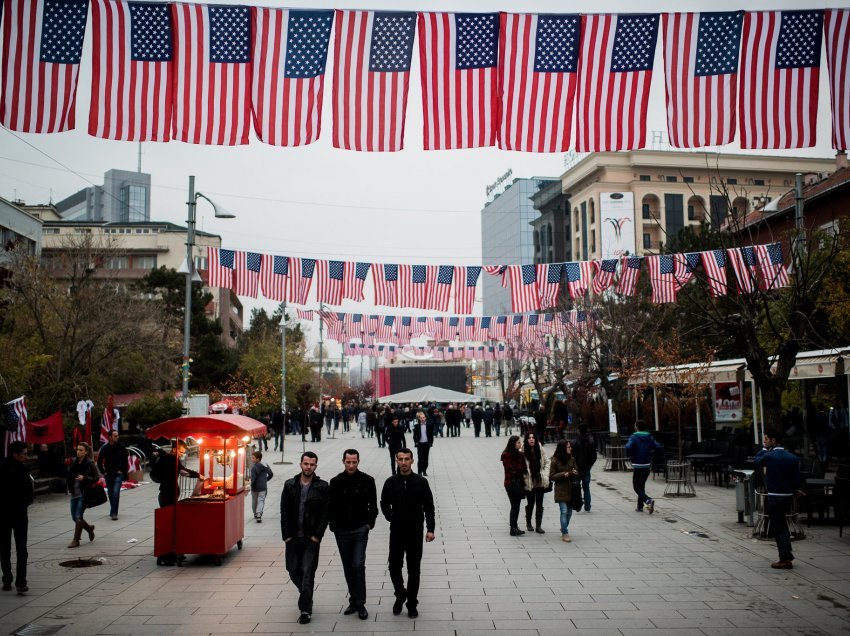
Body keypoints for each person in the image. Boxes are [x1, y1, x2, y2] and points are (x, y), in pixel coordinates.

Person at [380, 448, 435, 618]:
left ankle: (412, 603)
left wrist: (430, 529)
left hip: (415, 531)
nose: (403, 463)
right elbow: (383, 503)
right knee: (394, 566)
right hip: (396, 531)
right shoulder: (390, 482)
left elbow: (429, 507)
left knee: (414, 569)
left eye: (407, 459)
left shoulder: (421, 482)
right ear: (396, 460)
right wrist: (391, 517)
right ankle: (400, 594)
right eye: (400, 459)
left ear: (412, 461)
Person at [328, 449, 378, 620]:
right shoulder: (335, 482)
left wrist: (369, 523)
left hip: (360, 529)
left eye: (354, 462)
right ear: (343, 461)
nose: (351, 465)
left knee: (357, 564)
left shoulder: (367, 480)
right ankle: (354, 600)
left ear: (358, 461)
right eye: (348, 462)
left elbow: (373, 504)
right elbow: (331, 505)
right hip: (341, 530)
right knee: (348, 566)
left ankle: (361, 603)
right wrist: (333, 525)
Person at [280, 452, 329, 624]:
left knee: (308, 573)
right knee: (292, 570)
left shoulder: (322, 487)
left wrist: (318, 535)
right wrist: (286, 535)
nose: (309, 467)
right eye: (306, 464)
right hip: (293, 538)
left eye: (312, 464)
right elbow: (284, 511)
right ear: (300, 464)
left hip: (311, 539)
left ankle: (305, 609)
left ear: (316, 466)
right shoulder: (290, 485)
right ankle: (306, 596)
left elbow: (326, 513)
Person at [754, 428, 803, 569]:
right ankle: (787, 553)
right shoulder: (792, 457)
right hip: (788, 496)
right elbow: (796, 479)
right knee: (784, 525)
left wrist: (764, 449)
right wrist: (795, 490)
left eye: (766, 439)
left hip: (775, 496)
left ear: (773, 441)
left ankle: (784, 559)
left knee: (778, 527)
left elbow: (757, 461)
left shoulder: (769, 456)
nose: (765, 442)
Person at [0, 442, 33, 594]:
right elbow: (29, 493)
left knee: (6, 548)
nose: (26, 456)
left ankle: (9, 580)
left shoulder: (9, 467)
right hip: (17, 514)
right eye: (24, 454)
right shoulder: (21, 469)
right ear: (15, 454)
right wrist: (24, 503)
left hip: (7, 514)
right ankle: (19, 582)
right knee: (20, 548)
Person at [625, 420, 662, 514]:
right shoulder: (650, 437)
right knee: (641, 486)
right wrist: (651, 454)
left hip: (638, 464)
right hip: (647, 464)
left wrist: (630, 455)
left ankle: (648, 500)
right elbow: (658, 447)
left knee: (636, 487)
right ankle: (640, 506)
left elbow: (628, 447)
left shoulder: (634, 437)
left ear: (637, 427)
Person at [66, 443, 99, 548]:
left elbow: (96, 478)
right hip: (74, 493)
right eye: (77, 450)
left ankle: (76, 540)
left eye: (81, 450)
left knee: (78, 516)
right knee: (74, 517)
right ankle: (89, 528)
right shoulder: (74, 462)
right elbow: (70, 476)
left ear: (85, 452)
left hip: (84, 493)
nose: (78, 452)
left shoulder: (90, 463)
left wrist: (84, 478)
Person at [154, 440, 201, 508]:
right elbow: (183, 471)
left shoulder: (168, 458)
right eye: (181, 452)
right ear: (174, 449)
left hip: (166, 493)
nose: (182, 454)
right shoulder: (172, 459)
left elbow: (182, 471)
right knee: (168, 514)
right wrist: (198, 475)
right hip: (168, 494)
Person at [549, 440, 579, 542]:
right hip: (561, 489)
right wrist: (563, 474)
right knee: (564, 511)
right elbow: (552, 476)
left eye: (570, 447)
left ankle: (563, 527)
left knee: (569, 512)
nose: (570, 449)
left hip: (571, 489)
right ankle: (565, 533)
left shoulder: (572, 459)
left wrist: (575, 472)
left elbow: (577, 471)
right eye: (568, 447)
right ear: (563, 449)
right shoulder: (555, 460)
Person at [522, 432, 550, 533]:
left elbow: (547, 462)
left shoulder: (540, 448)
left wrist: (545, 474)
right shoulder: (523, 450)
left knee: (540, 503)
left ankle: (538, 525)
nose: (531, 439)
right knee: (530, 503)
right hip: (529, 481)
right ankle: (528, 523)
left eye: (533, 437)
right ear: (526, 440)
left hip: (539, 480)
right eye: (529, 438)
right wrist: (524, 476)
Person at [97, 429, 128, 520]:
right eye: (115, 436)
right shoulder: (105, 448)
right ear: (110, 437)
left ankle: (114, 513)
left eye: (117, 435)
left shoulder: (121, 447)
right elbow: (99, 462)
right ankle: (113, 509)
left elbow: (125, 461)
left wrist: (122, 471)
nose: (117, 437)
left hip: (118, 474)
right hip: (108, 474)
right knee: (110, 494)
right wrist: (103, 472)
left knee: (115, 493)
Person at [500, 436, 527, 536]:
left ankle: (515, 527)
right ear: (513, 444)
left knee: (517, 506)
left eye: (520, 442)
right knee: (514, 506)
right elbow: (511, 469)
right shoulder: (506, 455)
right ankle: (513, 528)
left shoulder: (521, 454)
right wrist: (519, 468)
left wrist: (519, 468)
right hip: (510, 483)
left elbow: (524, 468)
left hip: (519, 483)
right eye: (518, 442)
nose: (520, 444)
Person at [571, 424, 597, 512]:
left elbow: (571, 456)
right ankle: (587, 505)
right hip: (586, 468)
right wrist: (589, 465)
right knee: (586, 487)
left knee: (576, 486)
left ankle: (578, 504)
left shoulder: (574, 442)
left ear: (578, 430)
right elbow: (594, 457)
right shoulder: (591, 442)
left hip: (577, 468)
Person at [250, 451, 273, 523]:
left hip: (255, 488)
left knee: (254, 501)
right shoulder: (265, 465)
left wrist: (250, 485)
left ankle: (255, 514)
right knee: (261, 500)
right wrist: (266, 480)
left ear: (258, 459)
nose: (252, 459)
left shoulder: (254, 468)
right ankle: (259, 513)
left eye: (253, 458)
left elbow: (253, 479)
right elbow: (271, 474)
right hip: (263, 487)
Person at [412, 410, 434, 476]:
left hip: (427, 444)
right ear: (419, 419)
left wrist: (431, 443)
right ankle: (419, 472)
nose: (422, 419)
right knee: (420, 458)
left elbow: (431, 435)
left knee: (426, 459)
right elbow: (414, 435)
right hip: (420, 444)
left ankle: (424, 470)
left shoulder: (429, 425)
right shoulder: (417, 426)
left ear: (425, 418)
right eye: (421, 418)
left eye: (423, 417)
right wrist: (416, 442)